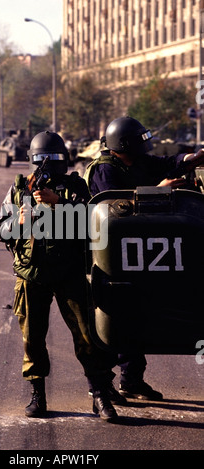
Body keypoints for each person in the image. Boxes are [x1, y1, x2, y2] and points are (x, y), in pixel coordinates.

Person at [0, 130, 122, 422]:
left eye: (52, 161)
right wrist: (18, 220)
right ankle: (37, 395)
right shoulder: (19, 189)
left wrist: (59, 204)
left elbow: (95, 225)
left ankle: (99, 394)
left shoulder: (77, 188)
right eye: (41, 161)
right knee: (32, 339)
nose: (46, 168)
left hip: (70, 273)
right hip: (30, 274)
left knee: (88, 337)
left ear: (63, 161)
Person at [84, 116, 204, 400]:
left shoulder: (137, 161)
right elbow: (113, 208)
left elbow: (168, 163)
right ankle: (102, 387)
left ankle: (131, 381)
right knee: (111, 319)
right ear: (122, 145)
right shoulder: (104, 170)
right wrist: (160, 190)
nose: (145, 148)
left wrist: (196, 156)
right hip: (109, 255)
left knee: (135, 314)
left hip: (138, 251)